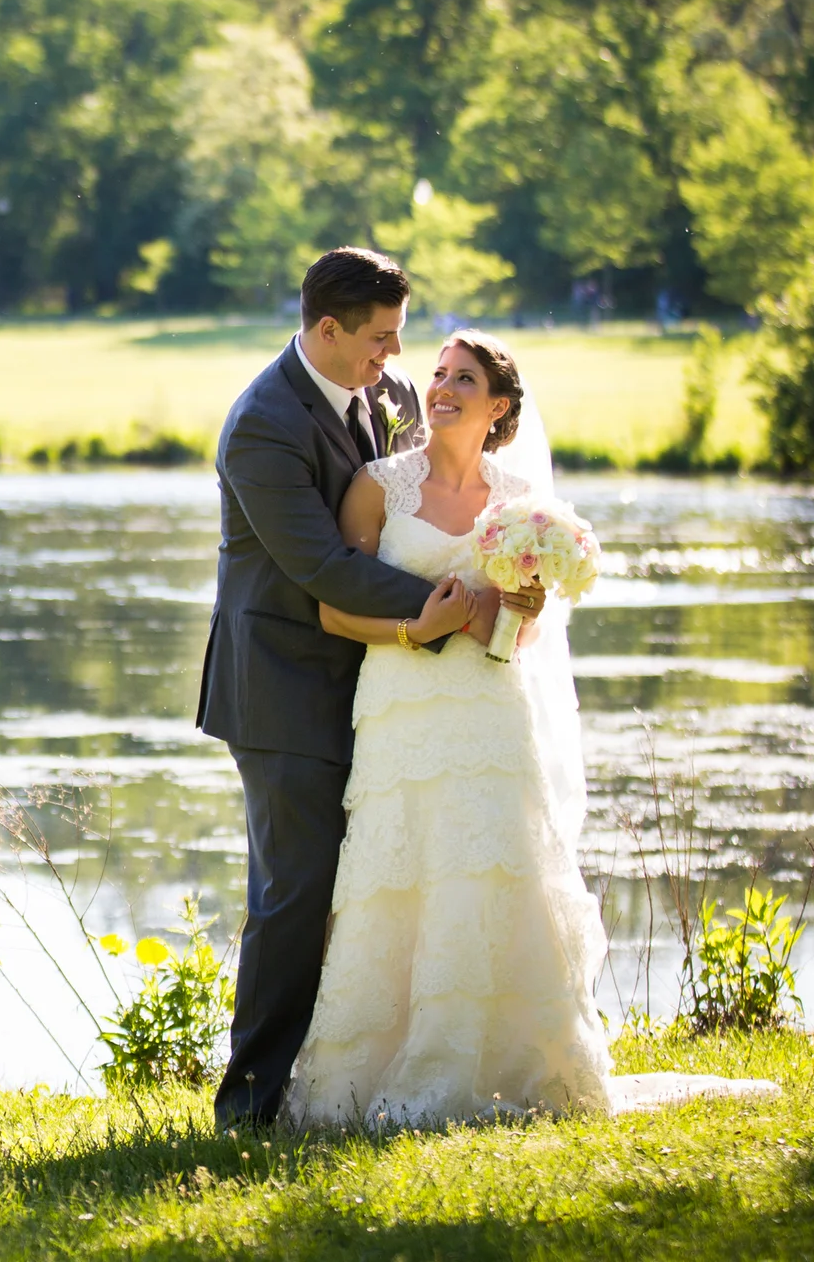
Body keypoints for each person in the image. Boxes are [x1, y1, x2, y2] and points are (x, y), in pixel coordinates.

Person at [197, 248, 536, 1127]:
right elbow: (323, 565)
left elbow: (411, 502)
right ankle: (250, 1106)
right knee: (295, 892)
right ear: (327, 329)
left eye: (398, 336)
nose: (397, 357)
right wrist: (459, 606)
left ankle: (356, 1077)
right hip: (281, 686)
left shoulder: (389, 394)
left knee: (375, 884)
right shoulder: (263, 425)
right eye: (381, 338)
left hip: (380, 685)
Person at [284, 329, 610, 1124]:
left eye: (464, 378)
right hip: (402, 704)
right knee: (400, 871)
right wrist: (415, 629)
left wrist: (523, 610)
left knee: (491, 868)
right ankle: (371, 1071)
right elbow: (333, 609)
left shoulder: (521, 501)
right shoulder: (379, 487)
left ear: (498, 406)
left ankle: (507, 1064)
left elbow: (520, 634)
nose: (441, 388)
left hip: (492, 710)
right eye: (438, 373)